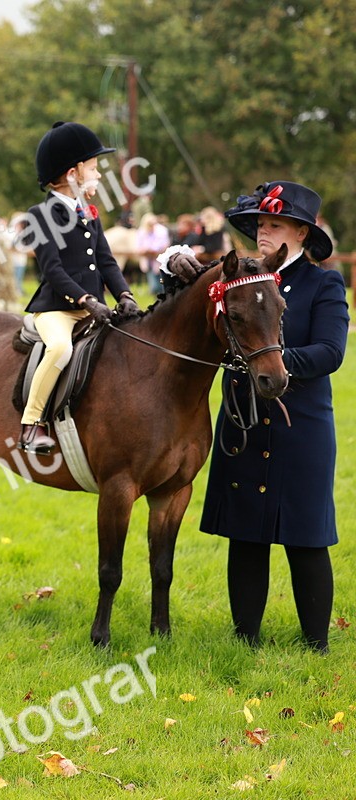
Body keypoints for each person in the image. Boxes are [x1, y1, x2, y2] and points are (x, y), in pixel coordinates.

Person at [201, 181, 348, 653]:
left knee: (307, 537)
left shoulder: (324, 283)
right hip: (243, 421)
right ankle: (245, 640)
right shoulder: (236, 278)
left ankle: (316, 645)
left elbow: (330, 351)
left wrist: (276, 363)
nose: (264, 232)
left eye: (276, 225)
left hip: (300, 426)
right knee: (246, 534)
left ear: (301, 233)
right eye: (261, 224)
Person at [18, 121, 138, 453]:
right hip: (57, 310)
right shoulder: (40, 215)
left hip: (94, 307)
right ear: (73, 173)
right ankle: (31, 424)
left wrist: (125, 294)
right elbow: (52, 270)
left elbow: (106, 262)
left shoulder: (89, 213)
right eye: (94, 168)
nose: (99, 175)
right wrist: (86, 299)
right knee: (60, 349)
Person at [135, 212, 170, 295]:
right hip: (148, 260)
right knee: (154, 286)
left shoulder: (161, 231)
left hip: (159, 259)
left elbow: (163, 244)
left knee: (161, 283)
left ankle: (162, 294)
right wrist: (144, 250)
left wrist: (152, 250)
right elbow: (138, 246)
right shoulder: (141, 231)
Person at [7, 211, 32, 298]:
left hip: (21, 261)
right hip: (14, 261)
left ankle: (19, 291)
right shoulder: (11, 233)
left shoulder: (22, 233)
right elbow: (10, 248)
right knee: (15, 278)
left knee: (19, 278)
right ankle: (16, 293)